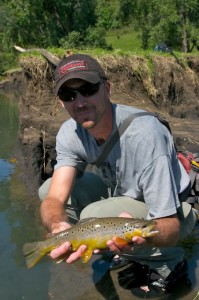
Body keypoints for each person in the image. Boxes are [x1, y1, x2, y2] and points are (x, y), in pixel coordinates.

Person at [39, 53, 197, 297]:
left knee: (94, 216)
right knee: (47, 189)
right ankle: (118, 246)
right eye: (69, 95)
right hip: (125, 201)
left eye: (88, 89)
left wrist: (141, 238)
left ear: (107, 88)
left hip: (175, 213)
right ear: (61, 102)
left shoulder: (146, 136)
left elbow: (171, 225)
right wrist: (58, 225)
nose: (80, 102)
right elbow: (54, 200)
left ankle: (169, 263)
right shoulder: (69, 133)